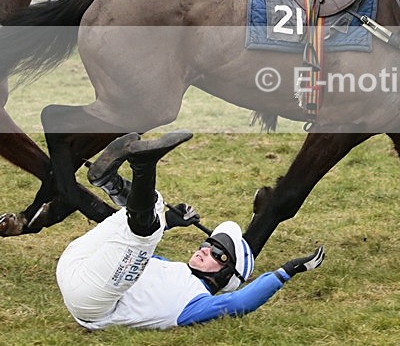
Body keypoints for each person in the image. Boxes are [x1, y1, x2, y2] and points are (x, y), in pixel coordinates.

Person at [57, 130, 326, 330]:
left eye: (216, 253)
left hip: (91, 304)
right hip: (74, 263)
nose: (204, 250)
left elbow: (239, 303)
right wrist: (170, 221)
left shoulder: (196, 304)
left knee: (145, 234)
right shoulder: (172, 268)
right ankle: (109, 181)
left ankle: (144, 165)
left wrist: (286, 271)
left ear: (225, 275)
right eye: (207, 245)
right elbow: (129, 258)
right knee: (155, 209)